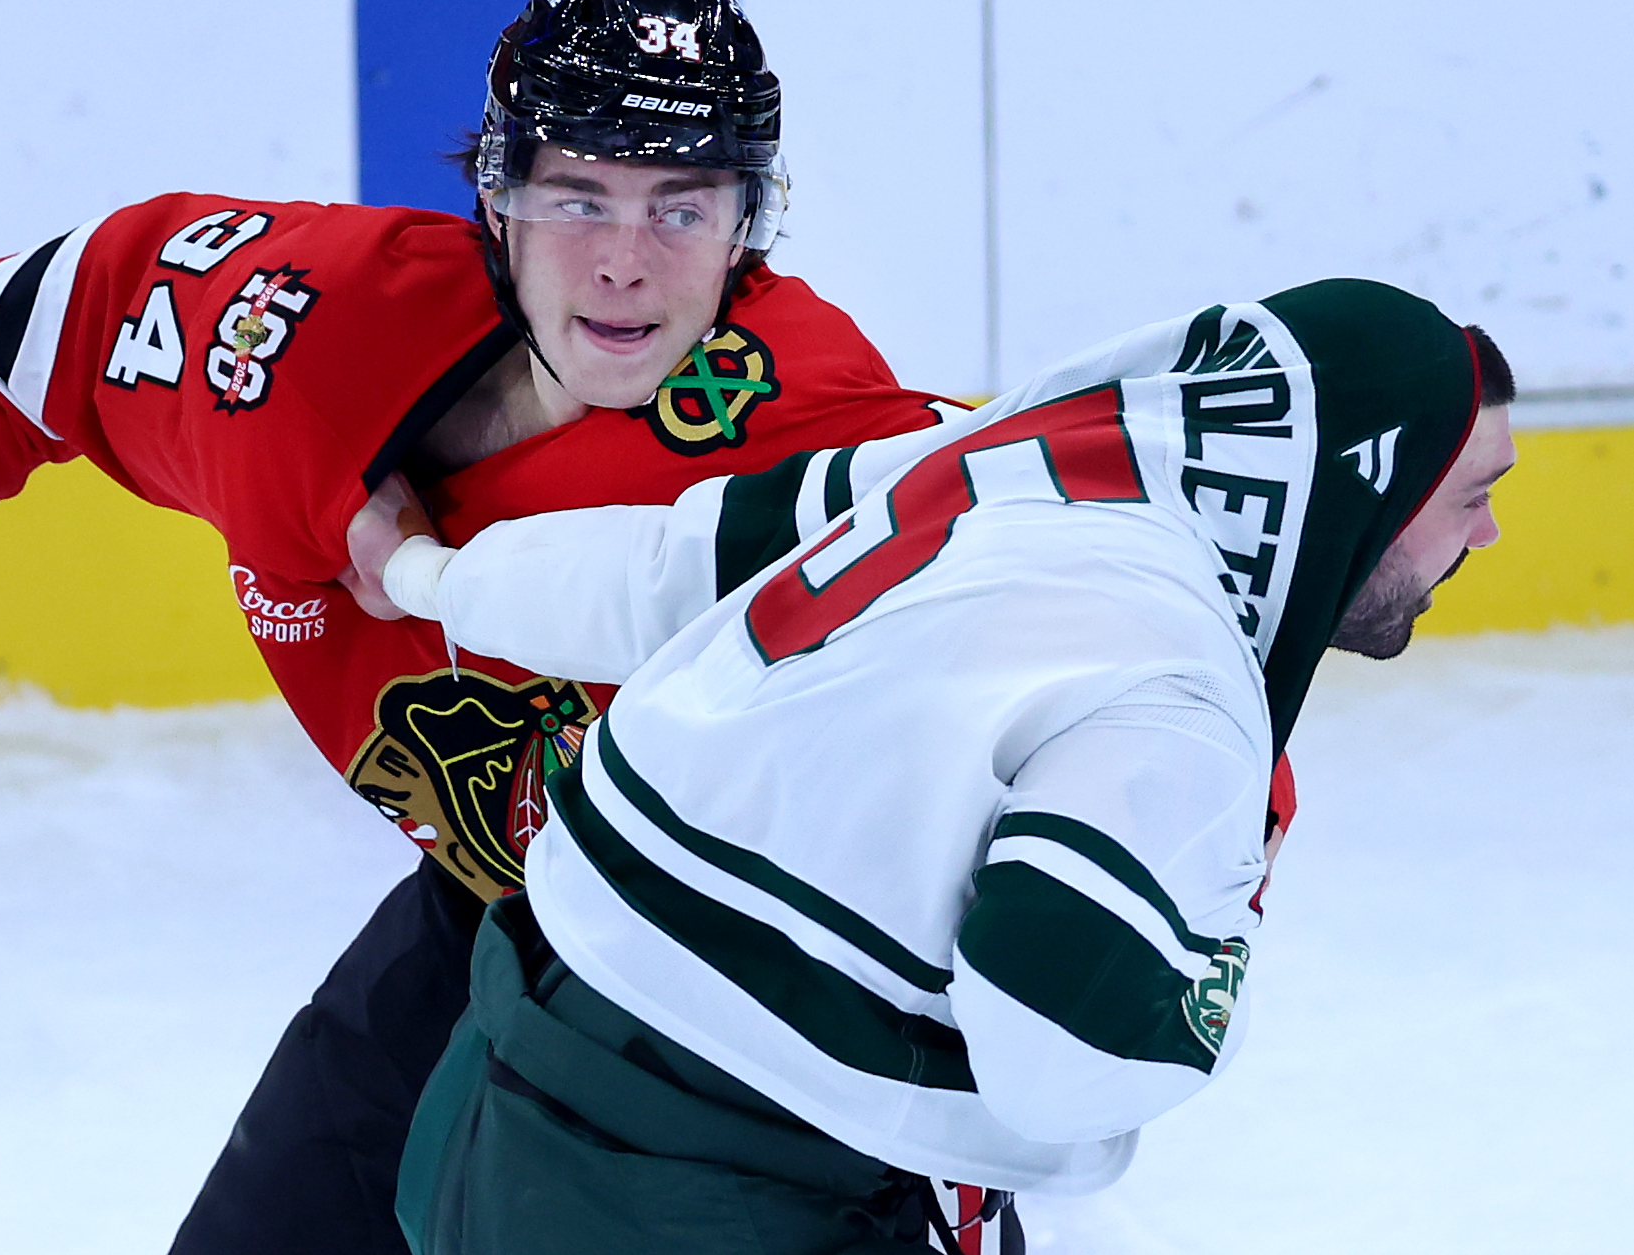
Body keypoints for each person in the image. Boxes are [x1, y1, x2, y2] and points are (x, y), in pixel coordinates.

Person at [0, 0, 951, 1254]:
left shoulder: (816, 422)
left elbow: (1022, 631)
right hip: (484, 915)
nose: (625, 261)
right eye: (578, 196)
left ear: (748, 222)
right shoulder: (294, 342)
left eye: (682, 205)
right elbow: (47, 313)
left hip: (767, 991)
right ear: (496, 199)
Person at [342, 280, 1518, 1254]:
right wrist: (1216, 974)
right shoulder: (1181, 683)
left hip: (499, 1082)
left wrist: (424, 580)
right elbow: (1065, 1046)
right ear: (1366, 486)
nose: (1485, 535)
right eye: (1470, 496)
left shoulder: (998, 464)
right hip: (714, 1194)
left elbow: (667, 563)